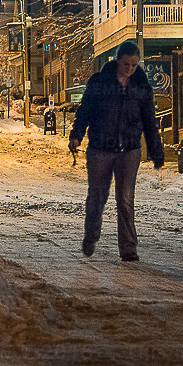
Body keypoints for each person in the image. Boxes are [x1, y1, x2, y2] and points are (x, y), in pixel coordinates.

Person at [69, 40, 164, 262]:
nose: (130, 69)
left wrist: (156, 151)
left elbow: (149, 121)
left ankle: (129, 249)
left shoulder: (141, 86)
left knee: (125, 199)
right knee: (97, 196)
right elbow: (85, 110)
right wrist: (76, 134)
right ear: (117, 61)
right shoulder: (100, 82)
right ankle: (91, 236)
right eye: (126, 65)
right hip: (100, 147)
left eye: (134, 65)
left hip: (129, 149)